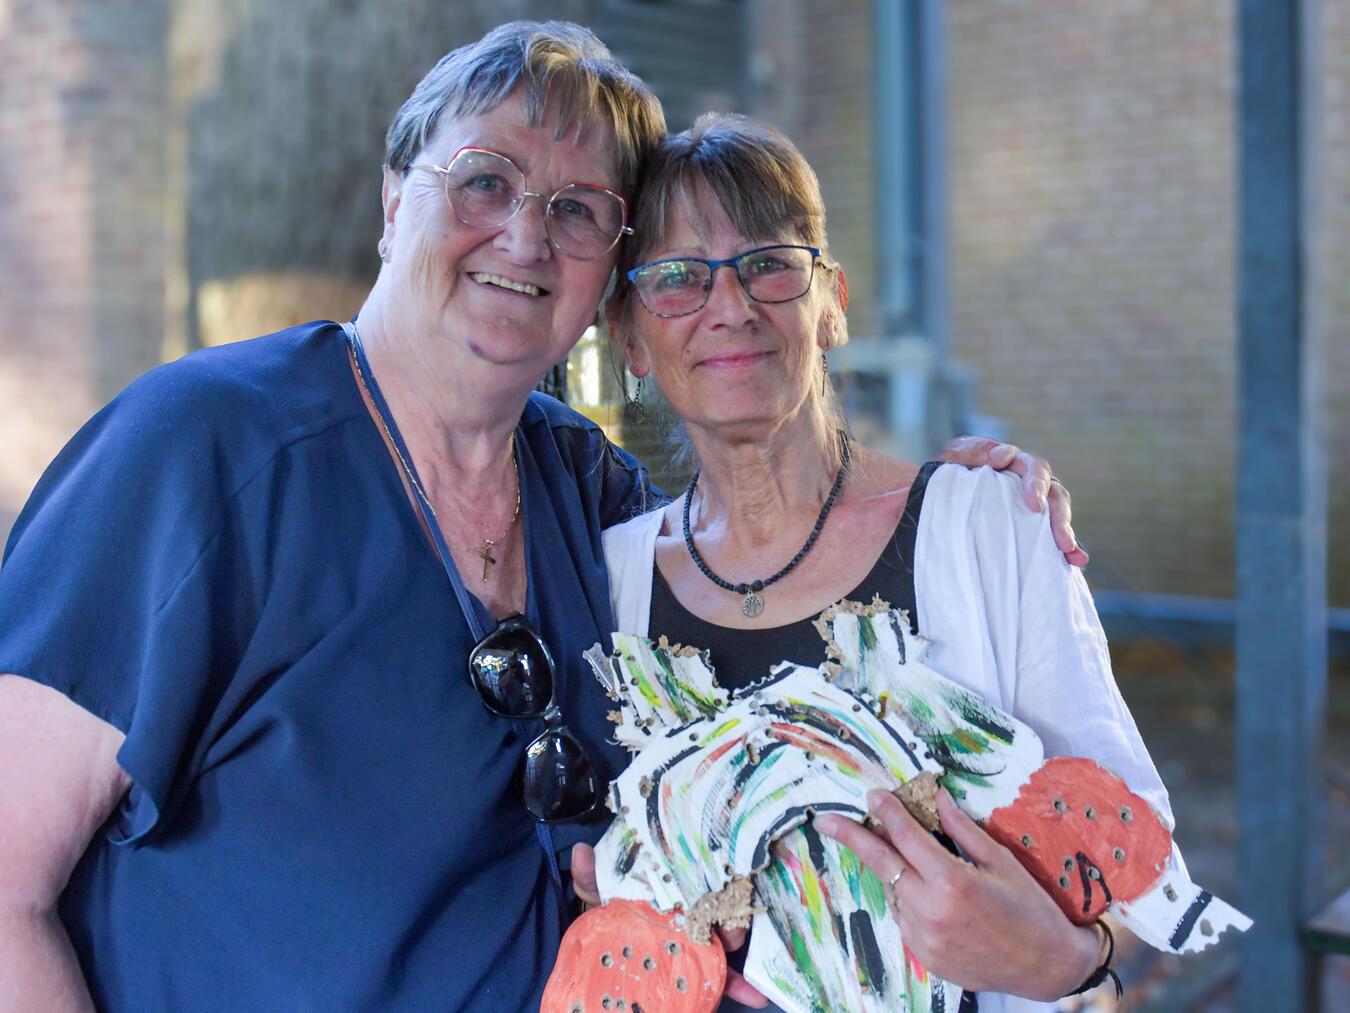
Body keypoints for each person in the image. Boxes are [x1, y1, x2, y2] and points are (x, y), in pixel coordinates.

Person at [0, 22, 1080, 1013]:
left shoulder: (588, 491)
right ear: (393, 204)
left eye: (577, 209)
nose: (524, 237)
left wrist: (959, 498)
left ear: (603, 277)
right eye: (484, 181)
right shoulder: (202, 453)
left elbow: (771, 599)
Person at [576, 112, 1172, 1013]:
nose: (729, 306)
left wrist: (1060, 958)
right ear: (630, 339)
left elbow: (1146, 875)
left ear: (833, 305)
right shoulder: (606, 581)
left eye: (768, 264)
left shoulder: (983, 528)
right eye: (676, 278)